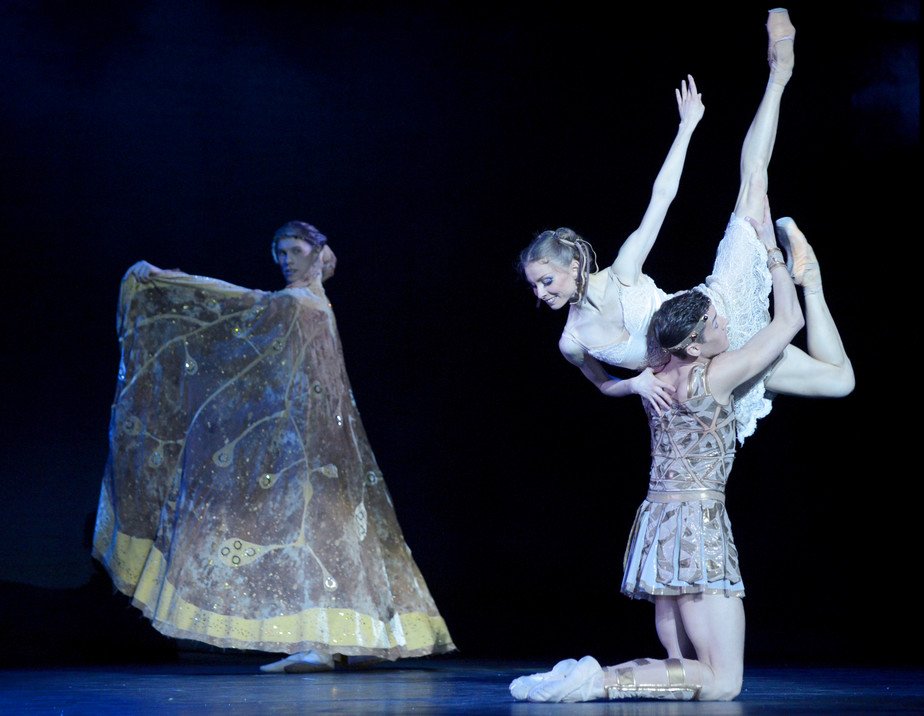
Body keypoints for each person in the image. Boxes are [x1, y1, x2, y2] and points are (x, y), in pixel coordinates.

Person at [513, 204, 845, 703]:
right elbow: (789, 319)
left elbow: (615, 367)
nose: (724, 323)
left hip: (659, 529)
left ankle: (595, 680)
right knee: (721, 683)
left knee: (686, 669)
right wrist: (773, 256)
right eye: (714, 323)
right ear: (693, 345)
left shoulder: (654, 374)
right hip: (698, 531)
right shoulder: (718, 374)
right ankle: (598, 681)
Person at [92, 221, 456, 673]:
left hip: (319, 445)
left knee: (325, 532)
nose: (286, 260)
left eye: (295, 250)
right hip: (316, 443)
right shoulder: (312, 303)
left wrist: (172, 281)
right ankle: (336, 639)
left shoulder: (300, 303)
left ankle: (327, 642)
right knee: (328, 534)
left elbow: (236, 304)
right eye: (280, 252)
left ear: (316, 251)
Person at [521, 8, 843, 444]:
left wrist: (687, 127)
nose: (541, 294)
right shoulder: (572, 341)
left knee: (753, 185)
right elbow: (602, 384)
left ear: (573, 265)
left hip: (719, 313)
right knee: (840, 382)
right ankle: (812, 280)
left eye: (546, 281)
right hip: (712, 371)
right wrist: (633, 384)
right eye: (535, 287)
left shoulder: (623, 273)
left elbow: (662, 197)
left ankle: (778, 75)